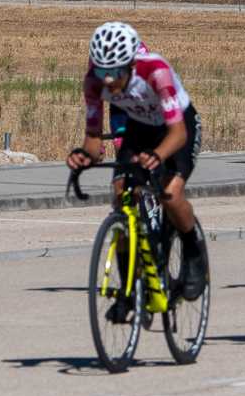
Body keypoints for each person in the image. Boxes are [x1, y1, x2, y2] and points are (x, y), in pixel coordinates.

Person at [66, 22, 207, 310]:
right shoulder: (93, 81)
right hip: (140, 127)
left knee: (170, 192)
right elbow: (93, 137)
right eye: (102, 71)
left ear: (130, 64)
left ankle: (193, 250)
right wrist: (84, 155)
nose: (107, 80)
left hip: (178, 126)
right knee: (121, 194)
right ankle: (129, 286)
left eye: (114, 72)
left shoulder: (155, 72)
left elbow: (177, 133)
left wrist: (157, 156)